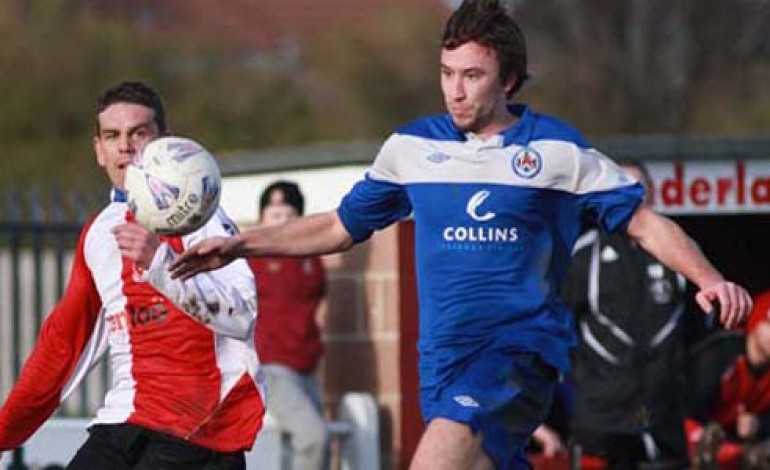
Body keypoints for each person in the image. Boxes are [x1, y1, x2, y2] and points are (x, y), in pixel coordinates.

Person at [168, 1, 752, 468]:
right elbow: (339, 226)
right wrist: (242, 242)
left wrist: (709, 279)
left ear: (510, 81)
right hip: (442, 360)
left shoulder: (556, 151)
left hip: (515, 355)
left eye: (473, 76)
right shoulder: (411, 149)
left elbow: (645, 222)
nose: (456, 90)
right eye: (447, 74)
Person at [0, 81, 264, 469]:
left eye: (138, 133)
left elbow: (242, 316)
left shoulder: (201, 217)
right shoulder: (98, 233)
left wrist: (159, 263)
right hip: (124, 420)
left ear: (165, 143)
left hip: (200, 430)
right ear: (99, 150)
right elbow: (62, 347)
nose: (124, 146)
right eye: (112, 136)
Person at [559, 161, 693, 469]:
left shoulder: (678, 252)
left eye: (640, 190)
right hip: (601, 418)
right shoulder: (585, 253)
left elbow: (700, 332)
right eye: (623, 189)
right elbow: (557, 330)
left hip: (662, 416)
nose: (634, 199)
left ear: (654, 196)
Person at [249, 181, 329, 470]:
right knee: (313, 438)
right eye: (274, 216)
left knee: (308, 445)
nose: (281, 224)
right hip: (270, 368)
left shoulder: (311, 259)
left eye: (288, 216)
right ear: (261, 220)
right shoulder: (251, 260)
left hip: (305, 367)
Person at [687, 289, 770, 469]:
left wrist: (759, 425)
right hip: (693, 435)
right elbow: (685, 407)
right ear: (757, 321)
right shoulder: (721, 351)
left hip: (735, 445)